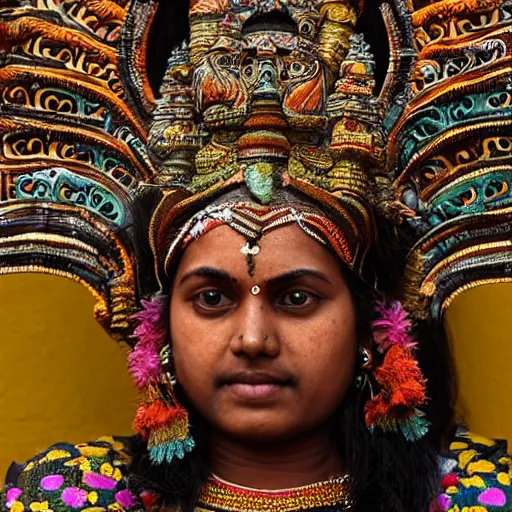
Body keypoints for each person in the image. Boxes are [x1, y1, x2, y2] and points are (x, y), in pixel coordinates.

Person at [1, 0, 511, 511]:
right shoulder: (70, 497)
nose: (253, 339)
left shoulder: (478, 496)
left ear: (371, 323)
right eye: (212, 299)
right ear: (159, 325)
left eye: (295, 297)